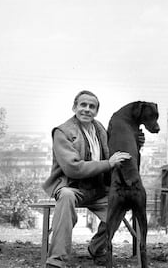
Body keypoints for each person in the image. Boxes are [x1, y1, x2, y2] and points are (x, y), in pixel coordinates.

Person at [42, 90, 133, 268]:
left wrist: (136, 141)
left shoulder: (100, 129)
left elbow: (117, 153)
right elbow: (72, 168)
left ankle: (97, 247)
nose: (87, 109)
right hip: (71, 187)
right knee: (66, 196)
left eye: (92, 107)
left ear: (96, 111)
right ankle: (56, 261)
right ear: (74, 107)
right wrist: (108, 163)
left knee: (122, 201)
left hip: (97, 189)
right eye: (83, 105)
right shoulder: (62, 132)